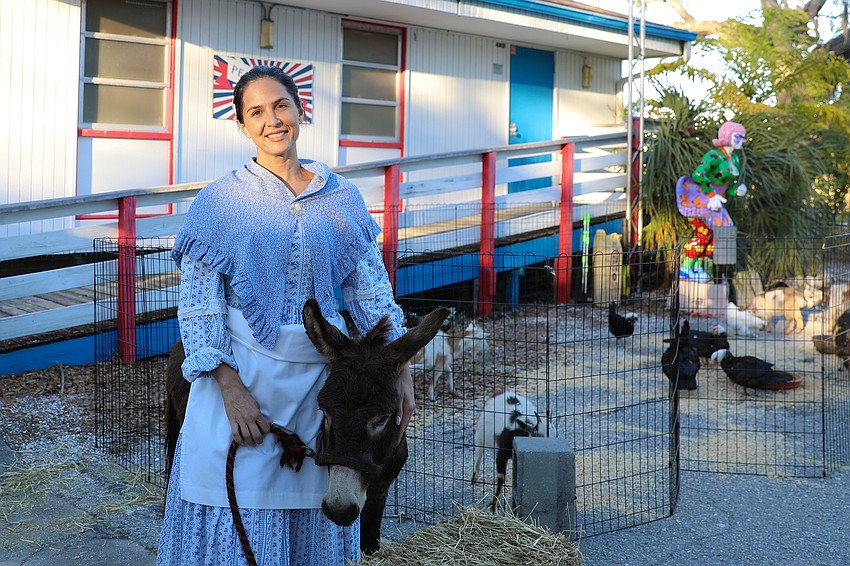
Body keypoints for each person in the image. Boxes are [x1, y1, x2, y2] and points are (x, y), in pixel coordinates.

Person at [157, 66, 411, 565]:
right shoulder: (220, 202)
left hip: (319, 393)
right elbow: (199, 303)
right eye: (256, 112)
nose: (272, 120)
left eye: (280, 106)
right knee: (232, 502)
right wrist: (230, 391)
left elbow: (370, 296)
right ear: (242, 126)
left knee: (312, 513)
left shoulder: (341, 198)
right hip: (241, 380)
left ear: (300, 110)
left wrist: (398, 368)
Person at [675, 121, 747, 282]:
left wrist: (737, 191)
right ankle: (686, 268)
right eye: (738, 136)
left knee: (715, 237)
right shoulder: (713, 155)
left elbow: (725, 189)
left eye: (743, 137)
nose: (743, 140)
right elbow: (698, 174)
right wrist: (712, 194)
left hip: (717, 204)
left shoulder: (734, 159)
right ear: (728, 136)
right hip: (702, 201)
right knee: (703, 235)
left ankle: (698, 267)